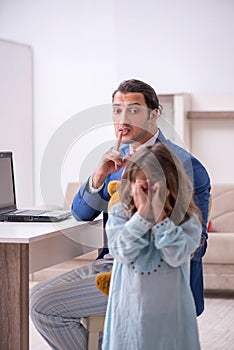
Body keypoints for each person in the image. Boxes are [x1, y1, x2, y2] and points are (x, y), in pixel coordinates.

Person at [30, 79, 210, 350]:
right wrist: (98, 175)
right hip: (110, 263)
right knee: (35, 297)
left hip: (152, 276)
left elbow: (197, 244)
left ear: (154, 114)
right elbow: (80, 214)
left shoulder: (183, 165)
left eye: (133, 110)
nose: (123, 118)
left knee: (44, 304)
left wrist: (154, 217)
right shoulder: (116, 161)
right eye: (116, 110)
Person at [102, 143, 202, 350]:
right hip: (128, 313)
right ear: (130, 186)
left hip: (171, 314)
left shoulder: (186, 219)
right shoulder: (120, 214)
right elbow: (121, 251)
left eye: (155, 189)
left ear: (170, 187)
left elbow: (176, 255)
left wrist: (159, 218)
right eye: (143, 189)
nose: (148, 196)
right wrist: (142, 217)